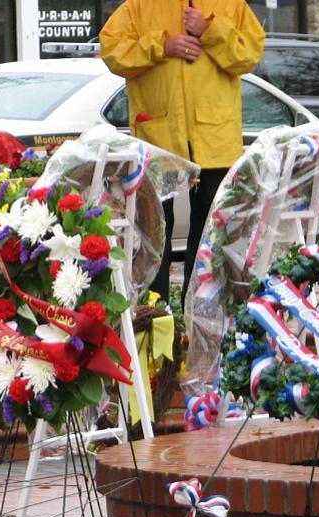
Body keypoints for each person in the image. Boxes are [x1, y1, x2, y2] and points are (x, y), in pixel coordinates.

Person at [99, 0, 264, 302]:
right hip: (159, 137)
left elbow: (249, 53)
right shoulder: (140, 5)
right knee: (155, 229)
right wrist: (163, 45)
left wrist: (209, 30)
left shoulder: (230, 4)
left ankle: (205, 312)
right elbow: (111, 50)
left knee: (212, 230)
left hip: (216, 138)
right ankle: (155, 315)